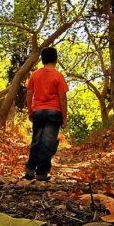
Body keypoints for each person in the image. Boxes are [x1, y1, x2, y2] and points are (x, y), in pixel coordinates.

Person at [24, 47, 68, 181]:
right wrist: (64, 118)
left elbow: (29, 94)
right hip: (54, 112)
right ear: (56, 59)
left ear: (42, 59)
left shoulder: (35, 75)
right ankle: (42, 172)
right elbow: (62, 99)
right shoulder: (58, 76)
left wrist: (30, 111)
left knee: (36, 141)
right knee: (47, 143)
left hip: (38, 111)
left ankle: (30, 169)